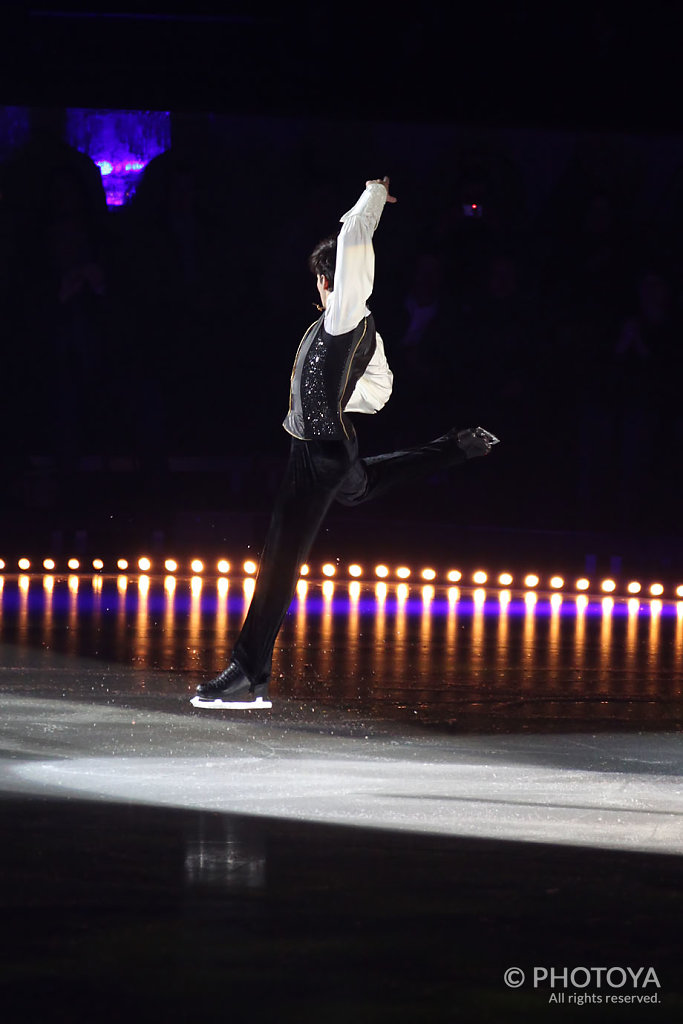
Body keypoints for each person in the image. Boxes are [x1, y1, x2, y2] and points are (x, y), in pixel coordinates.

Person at [192, 177, 499, 709]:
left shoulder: (344, 315)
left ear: (327, 279)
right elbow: (380, 390)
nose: (317, 287)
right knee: (364, 484)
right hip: (334, 447)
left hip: (317, 452)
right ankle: (456, 446)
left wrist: (372, 194)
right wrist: (341, 404)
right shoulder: (357, 331)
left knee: (280, 559)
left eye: (320, 278)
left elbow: (354, 231)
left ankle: (248, 671)